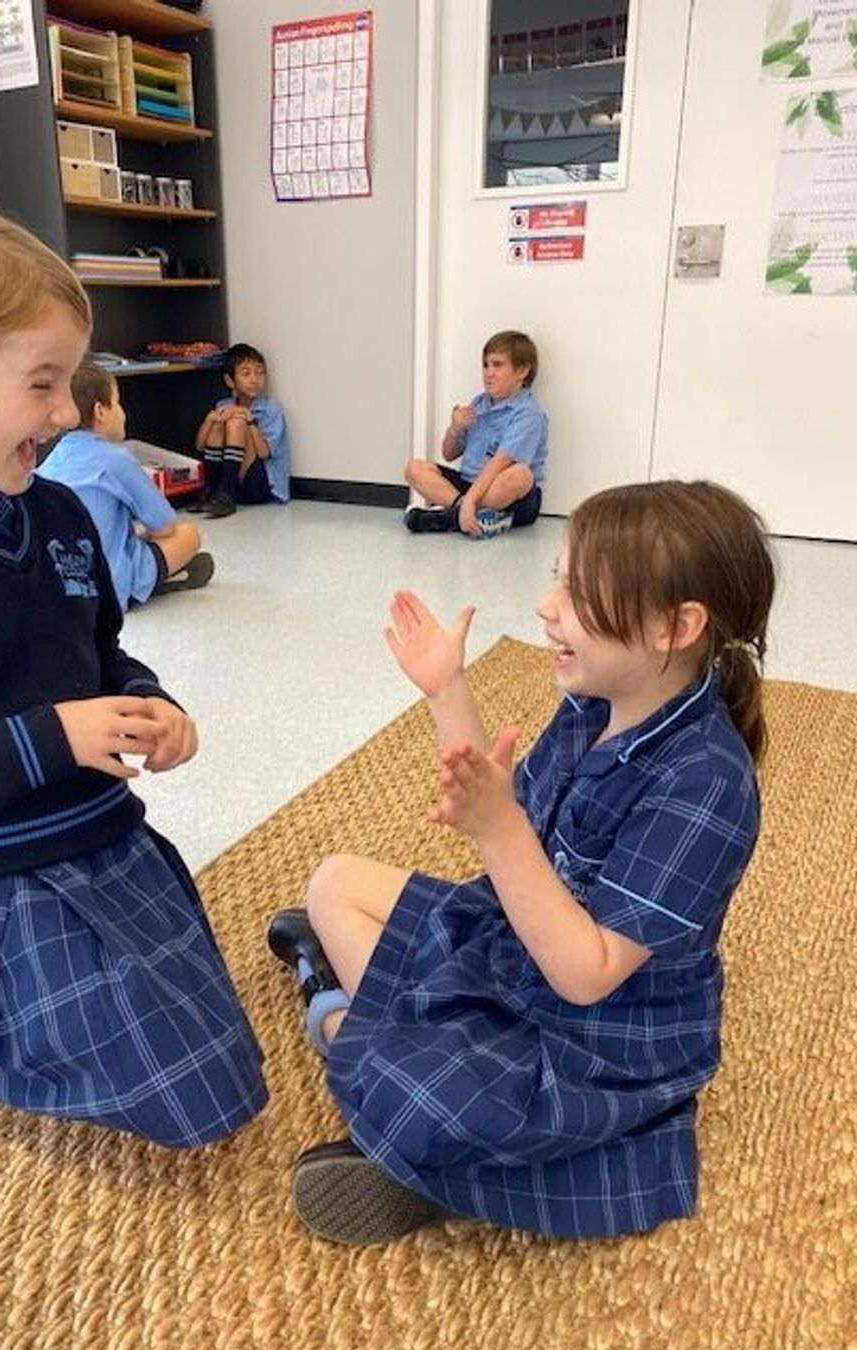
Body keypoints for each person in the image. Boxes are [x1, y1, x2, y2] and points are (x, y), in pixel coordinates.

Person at [0, 203, 266, 1147]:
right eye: (42, 384)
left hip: (105, 839)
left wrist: (148, 702)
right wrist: (51, 738)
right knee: (195, 1096)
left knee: (222, 1067)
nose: (69, 412)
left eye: (70, 381)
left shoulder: (59, 512)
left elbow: (102, 653)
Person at [268, 479, 776, 1245]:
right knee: (333, 881)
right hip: (518, 937)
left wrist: (500, 831)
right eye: (556, 580)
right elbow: (500, 805)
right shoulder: (594, 702)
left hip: (597, 1036)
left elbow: (587, 973)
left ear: (677, 625)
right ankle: (391, 1060)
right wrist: (447, 689)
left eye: (578, 594)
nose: (546, 607)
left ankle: (341, 1020)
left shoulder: (707, 782)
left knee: (429, 1091)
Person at [38, 361, 214, 610]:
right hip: (109, 588)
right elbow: (165, 526)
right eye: (118, 402)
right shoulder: (118, 459)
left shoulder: (48, 462)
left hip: (58, 588)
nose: (122, 411)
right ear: (100, 411)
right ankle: (147, 583)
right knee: (188, 534)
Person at [404, 329, 548, 537]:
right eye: (485, 365)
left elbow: (501, 462)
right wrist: (455, 429)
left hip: (513, 497)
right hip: (469, 485)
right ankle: (473, 515)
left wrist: (471, 500)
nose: (489, 373)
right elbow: (449, 454)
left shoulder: (528, 413)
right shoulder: (479, 404)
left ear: (522, 371)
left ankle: (446, 518)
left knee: (521, 475)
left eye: (498, 365)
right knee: (414, 468)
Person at [189, 342, 289, 518]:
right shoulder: (223, 405)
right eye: (246, 373)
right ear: (230, 381)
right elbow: (199, 446)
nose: (254, 379)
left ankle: (226, 494)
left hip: (261, 486)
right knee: (220, 422)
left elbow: (264, 453)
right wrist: (209, 420)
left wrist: (250, 423)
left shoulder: (271, 410)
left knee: (237, 422)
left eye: (260, 372)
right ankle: (211, 490)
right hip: (234, 484)